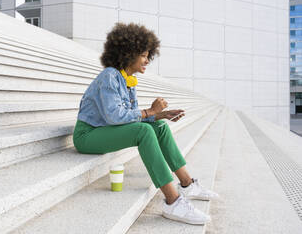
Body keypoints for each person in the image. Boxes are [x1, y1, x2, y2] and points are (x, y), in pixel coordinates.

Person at [73, 23, 218, 225]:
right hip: (88, 136)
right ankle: (173, 201)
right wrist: (150, 111)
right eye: (143, 55)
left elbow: (130, 115)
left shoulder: (128, 80)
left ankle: (187, 184)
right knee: (143, 131)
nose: (147, 61)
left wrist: (160, 116)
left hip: (104, 130)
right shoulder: (109, 76)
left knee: (159, 127)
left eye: (149, 56)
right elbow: (114, 116)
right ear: (128, 53)